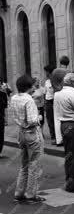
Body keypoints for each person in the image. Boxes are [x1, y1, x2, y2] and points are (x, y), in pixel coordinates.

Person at [9, 76, 45, 204]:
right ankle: (31, 194)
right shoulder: (29, 100)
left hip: (21, 133)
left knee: (24, 164)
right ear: (28, 87)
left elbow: (13, 116)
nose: (34, 88)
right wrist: (39, 117)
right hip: (32, 133)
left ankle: (19, 192)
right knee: (34, 164)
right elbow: (31, 120)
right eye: (32, 86)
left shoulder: (14, 98)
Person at [0, 79, 10, 156]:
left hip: (1, 118)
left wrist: (6, 119)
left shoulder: (3, 94)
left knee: (1, 135)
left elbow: (5, 107)